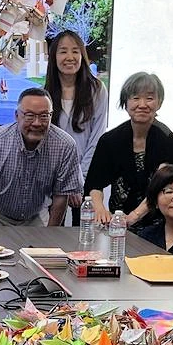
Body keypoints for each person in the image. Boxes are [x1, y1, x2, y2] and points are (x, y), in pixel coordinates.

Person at [0, 87, 82, 227]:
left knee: (44, 248)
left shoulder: (65, 145)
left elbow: (61, 196)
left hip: (36, 214)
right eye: (29, 116)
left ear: (51, 116)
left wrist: (51, 238)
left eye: (44, 116)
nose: (37, 123)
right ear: (17, 115)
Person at [85, 72, 173, 227]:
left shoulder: (169, 142)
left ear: (159, 103)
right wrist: (100, 210)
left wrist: (133, 217)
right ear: (126, 102)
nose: (142, 104)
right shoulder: (110, 140)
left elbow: (164, 186)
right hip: (118, 222)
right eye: (135, 98)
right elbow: (94, 184)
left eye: (149, 98)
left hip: (160, 224)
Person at [43, 30, 109, 224]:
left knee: (85, 238)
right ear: (54, 57)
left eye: (75, 51)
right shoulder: (44, 93)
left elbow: (96, 138)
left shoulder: (97, 90)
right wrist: (65, 182)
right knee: (52, 236)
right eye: (63, 52)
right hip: (52, 178)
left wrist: (77, 182)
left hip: (88, 175)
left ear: (83, 56)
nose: (69, 57)